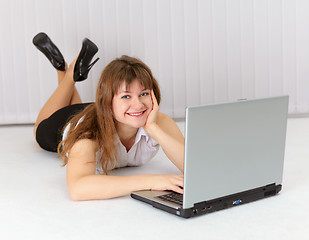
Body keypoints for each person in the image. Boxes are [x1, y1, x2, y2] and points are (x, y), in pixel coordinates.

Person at [33, 32, 185, 201]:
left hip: (102, 111)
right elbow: (78, 188)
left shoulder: (158, 122)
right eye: (126, 96)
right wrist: (151, 181)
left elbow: (195, 167)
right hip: (64, 121)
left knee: (96, 109)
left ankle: (68, 69)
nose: (139, 105)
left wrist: (154, 130)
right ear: (107, 102)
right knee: (38, 129)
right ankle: (66, 73)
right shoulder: (88, 133)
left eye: (144, 94)